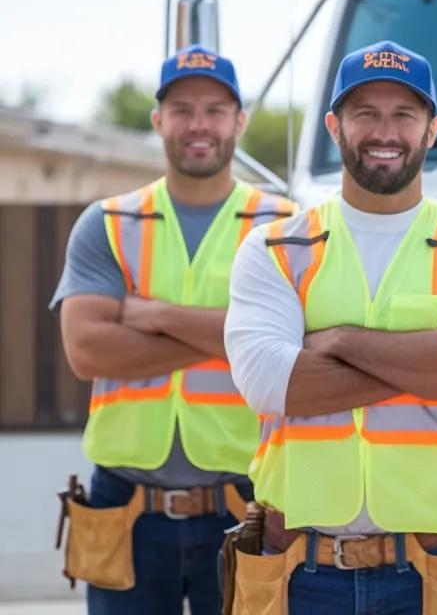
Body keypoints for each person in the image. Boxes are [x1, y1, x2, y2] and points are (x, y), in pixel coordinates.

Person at [222, 40, 437, 614]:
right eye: (365, 113)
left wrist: (338, 342)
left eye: (404, 114)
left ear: (432, 129)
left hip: (435, 567)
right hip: (299, 569)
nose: (385, 131)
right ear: (334, 125)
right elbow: (271, 385)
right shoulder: (276, 248)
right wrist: (434, 353)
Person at [50, 45, 296, 615]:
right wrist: (237, 336)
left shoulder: (286, 225)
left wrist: (155, 316)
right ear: (158, 120)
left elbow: (291, 350)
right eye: (182, 109)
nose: (199, 124)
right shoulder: (108, 223)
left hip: (248, 502)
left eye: (215, 109)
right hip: (125, 503)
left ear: (240, 121)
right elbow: (87, 349)